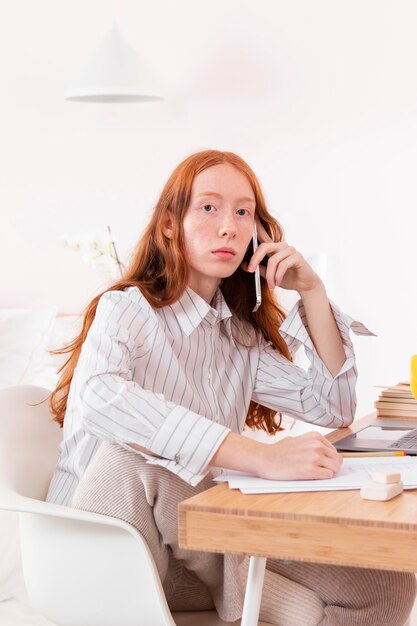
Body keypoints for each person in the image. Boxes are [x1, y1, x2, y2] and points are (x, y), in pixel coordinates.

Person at [47, 149, 416, 625]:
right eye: (209, 207)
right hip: (99, 547)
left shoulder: (236, 337)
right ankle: (245, 581)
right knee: (127, 456)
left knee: (385, 585)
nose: (229, 226)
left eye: (243, 212)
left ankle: (245, 579)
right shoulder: (126, 311)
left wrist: (312, 292)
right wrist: (261, 456)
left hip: (193, 545)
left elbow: (331, 406)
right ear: (168, 224)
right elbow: (101, 401)